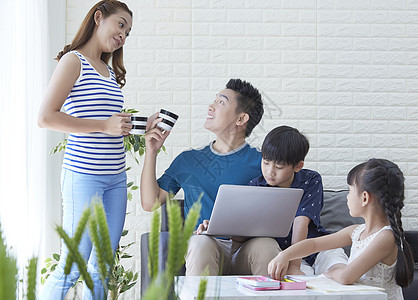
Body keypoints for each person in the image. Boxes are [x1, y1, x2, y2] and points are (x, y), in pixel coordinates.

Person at [37, 1, 133, 299]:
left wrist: (139, 124)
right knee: (73, 265)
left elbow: (106, 121)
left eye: (128, 33)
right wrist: (105, 126)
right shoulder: (73, 61)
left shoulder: (107, 70)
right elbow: (46, 117)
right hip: (84, 176)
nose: (123, 36)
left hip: (115, 178)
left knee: (102, 267)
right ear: (98, 17)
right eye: (120, 25)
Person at [141, 78, 280, 276]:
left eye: (221, 102)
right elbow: (150, 203)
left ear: (241, 119)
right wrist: (151, 151)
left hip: (247, 249)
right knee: (201, 244)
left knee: (267, 245)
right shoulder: (188, 160)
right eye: (215, 101)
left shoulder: (263, 163)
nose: (211, 107)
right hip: (205, 246)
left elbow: (277, 212)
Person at [268, 158, 415, 300]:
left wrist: (333, 272)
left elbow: (346, 277)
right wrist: (285, 255)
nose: (347, 197)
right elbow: (314, 244)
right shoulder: (356, 231)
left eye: (350, 191)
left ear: (364, 198)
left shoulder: (385, 237)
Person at [248, 125, 348, 276]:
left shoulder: (311, 180)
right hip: (282, 254)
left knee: (341, 270)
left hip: (318, 247)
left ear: (298, 166)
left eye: (279, 166)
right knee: (301, 285)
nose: (270, 171)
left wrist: (295, 265)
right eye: (266, 162)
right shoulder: (255, 186)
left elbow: (301, 222)